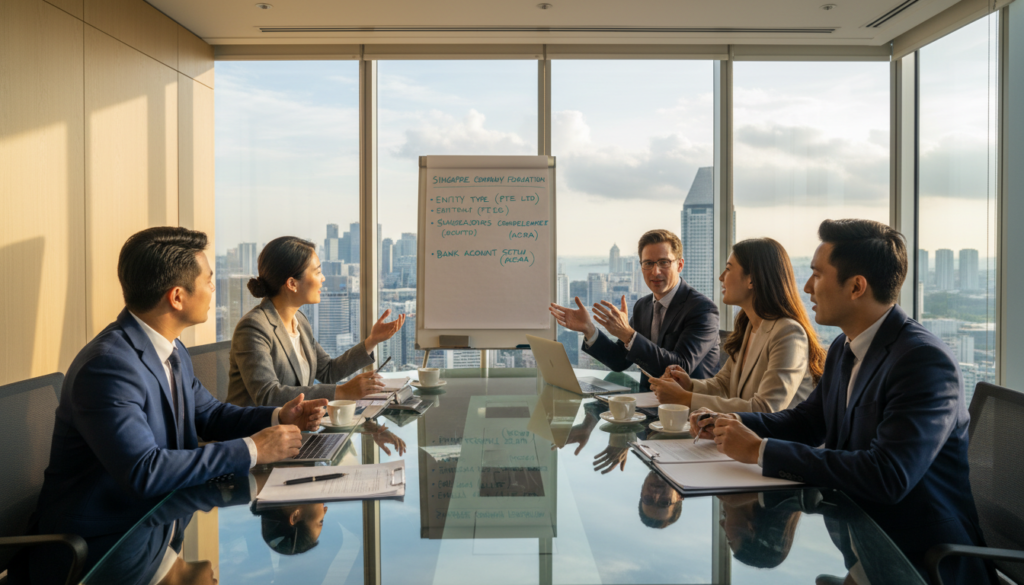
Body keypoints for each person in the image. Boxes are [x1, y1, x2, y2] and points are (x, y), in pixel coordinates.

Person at [690, 219, 994, 585]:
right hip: (857, 543)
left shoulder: (923, 361)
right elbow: (807, 421)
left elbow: (888, 475)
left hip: (917, 559)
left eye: (817, 275)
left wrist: (761, 451)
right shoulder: (844, 347)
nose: (806, 287)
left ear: (856, 286)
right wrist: (729, 425)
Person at [16, 227, 327, 582]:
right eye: (209, 281)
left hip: (157, 527)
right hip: (103, 547)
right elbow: (144, 472)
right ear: (177, 297)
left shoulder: (170, 348)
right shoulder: (108, 366)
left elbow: (208, 414)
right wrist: (253, 449)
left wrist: (277, 414)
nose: (214, 289)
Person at [227, 236, 405, 407]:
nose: (323, 278)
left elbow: (328, 371)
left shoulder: (300, 321)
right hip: (257, 434)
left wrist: (372, 340)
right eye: (318, 272)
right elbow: (268, 396)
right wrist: (341, 392)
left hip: (296, 429)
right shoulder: (253, 328)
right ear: (292, 284)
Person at [649, 238, 822, 413]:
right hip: (744, 435)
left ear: (752, 280)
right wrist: (688, 385)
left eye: (729, 269)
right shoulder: (749, 327)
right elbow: (724, 384)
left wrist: (685, 398)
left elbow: (766, 408)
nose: (721, 277)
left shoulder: (788, 333)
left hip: (776, 439)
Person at [549, 229, 719, 390]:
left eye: (664, 262)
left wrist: (628, 335)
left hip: (689, 410)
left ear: (680, 265)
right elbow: (619, 361)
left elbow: (680, 369)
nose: (655, 271)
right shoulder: (642, 306)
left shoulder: (702, 309)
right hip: (647, 404)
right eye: (648, 263)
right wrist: (589, 329)